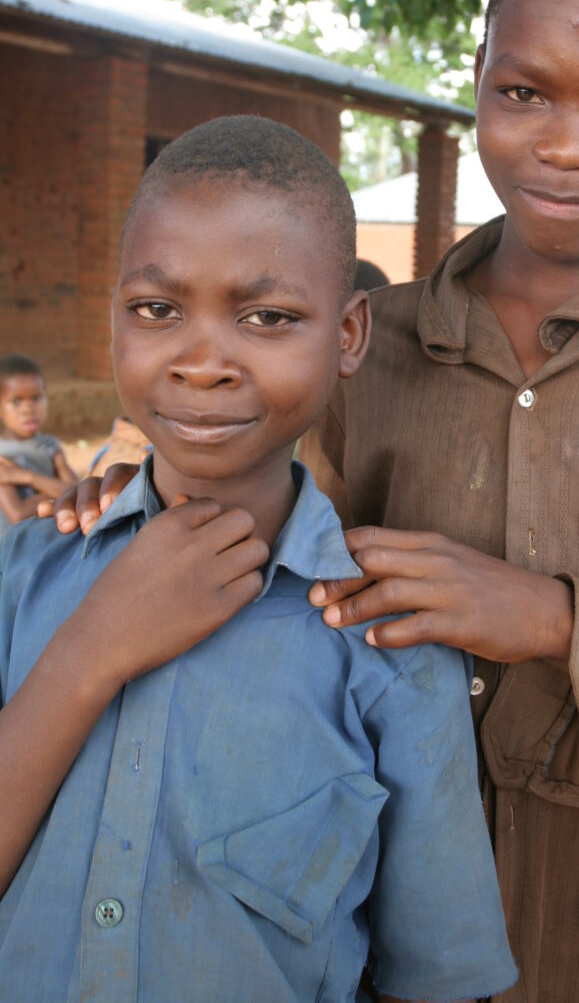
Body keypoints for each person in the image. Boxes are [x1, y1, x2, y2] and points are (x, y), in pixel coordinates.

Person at [47, 0, 579, 1003]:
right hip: (328, 946)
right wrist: (154, 495)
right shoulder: (354, 347)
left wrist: (553, 622)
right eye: (523, 91)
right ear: (478, 69)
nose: (567, 143)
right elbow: (257, 559)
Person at [0, 116, 517, 1002]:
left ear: (349, 335)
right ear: (116, 314)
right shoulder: (24, 574)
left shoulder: (393, 644)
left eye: (267, 317)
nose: (202, 363)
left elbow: (434, 980)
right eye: (157, 310)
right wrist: (90, 653)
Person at [0, 353, 77, 535]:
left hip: (51, 538)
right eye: (16, 401)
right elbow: (18, 515)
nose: (28, 409)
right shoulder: (3, 456)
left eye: (36, 398)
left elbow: (76, 489)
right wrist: (58, 490)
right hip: (14, 551)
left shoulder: (51, 446)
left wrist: (26, 476)